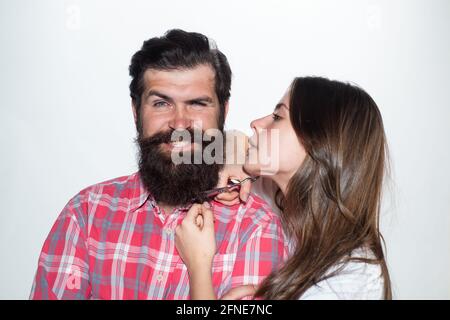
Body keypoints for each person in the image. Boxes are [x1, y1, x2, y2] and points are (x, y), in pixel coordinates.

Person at [30, 29, 287, 300]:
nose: (179, 123)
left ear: (223, 111)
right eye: (162, 103)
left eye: (197, 104)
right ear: (136, 111)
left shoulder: (255, 226)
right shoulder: (86, 214)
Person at [175, 76, 392, 300]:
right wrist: (238, 160)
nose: (256, 123)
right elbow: (228, 139)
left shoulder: (349, 280)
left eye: (278, 117)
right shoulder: (284, 201)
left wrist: (199, 265)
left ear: (318, 144)